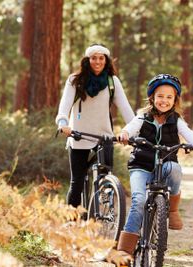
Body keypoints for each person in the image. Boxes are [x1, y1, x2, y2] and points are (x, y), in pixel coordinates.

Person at [116, 73, 193, 256]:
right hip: (141, 165)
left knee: (175, 169)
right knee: (139, 201)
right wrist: (125, 134)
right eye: (160, 96)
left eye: (169, 97)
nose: (164, 101)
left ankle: (172, 209)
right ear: (152, 97)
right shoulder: (143, 117)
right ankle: (124, 250)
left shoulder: (176, 120)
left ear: (175, 100)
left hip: (166, 163)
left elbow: (188, 133)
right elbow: (130, 127)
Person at [56, 44, 134, 208]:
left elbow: (126, 109)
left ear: (106, 60)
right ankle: (72, 222)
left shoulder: (112, 82)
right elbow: (64, 106)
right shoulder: (75, 80)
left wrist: (134, 130)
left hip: (103, 137)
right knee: (77, 182)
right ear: (87, 60)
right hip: (78, 136)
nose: (97, 62)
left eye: (101, 58)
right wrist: (63, 123)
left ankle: (106, 213)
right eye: (93, 58)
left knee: (105, 178)